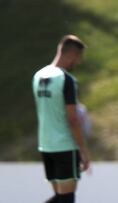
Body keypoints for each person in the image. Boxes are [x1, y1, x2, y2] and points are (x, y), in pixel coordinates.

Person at [32, 35, 91, 203]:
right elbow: (72, 119)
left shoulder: (38, 76)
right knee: (66, 199)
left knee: (60, 197)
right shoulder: (66, 80)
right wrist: (83, 150)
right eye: (78, 58)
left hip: (46, 145)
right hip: (65, 146)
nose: (78, 63)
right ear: (72, 55)